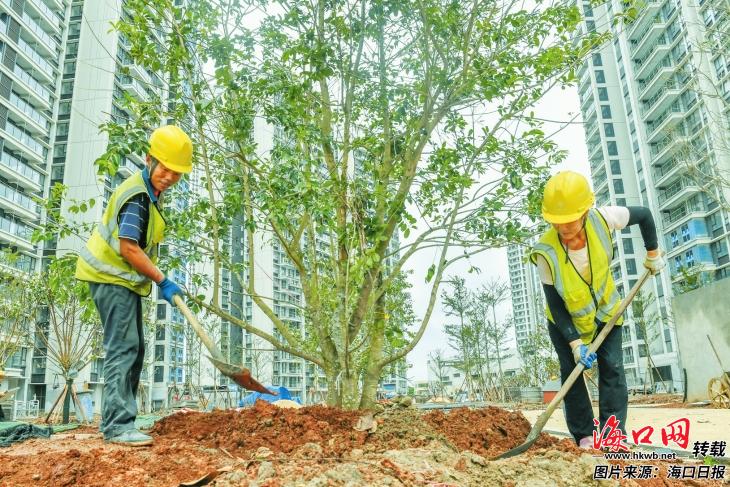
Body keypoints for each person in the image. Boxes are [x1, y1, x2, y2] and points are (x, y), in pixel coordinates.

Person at [530, 171, 666, 449]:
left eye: (569, 222)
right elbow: (554, 302)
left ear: (585, 211)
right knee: (572, 374)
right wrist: (575, 342)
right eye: (557, 224)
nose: (564, 230)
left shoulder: (603, 219)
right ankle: (584, 435)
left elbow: (644, 215)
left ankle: (613, 433)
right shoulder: (545, 251)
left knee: (613, 369)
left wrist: (652, 253)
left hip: (607, 312)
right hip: (564, 322)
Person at [75, 125, 192, 446]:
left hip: (121, 280)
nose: (169, 177)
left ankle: (123, 420)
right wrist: (162, 280)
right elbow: (128, 248)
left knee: (135, 349)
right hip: (111, 277)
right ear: (149, 160)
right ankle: (116, 426)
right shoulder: (139, 197)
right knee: (123, 348)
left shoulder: (151, 194)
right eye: (165, 169)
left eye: (176, 173)